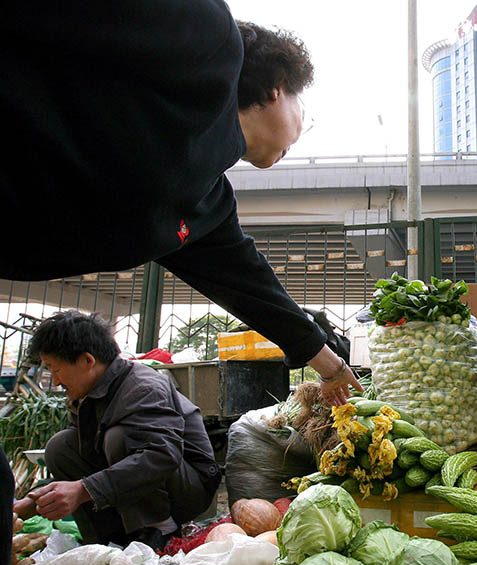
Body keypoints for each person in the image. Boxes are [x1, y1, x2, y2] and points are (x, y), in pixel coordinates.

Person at [0, 3, 360, 406]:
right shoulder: (210, 44)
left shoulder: (207, 204)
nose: (299, 135)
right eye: (304, 112)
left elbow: (254, 289)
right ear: (278, 87)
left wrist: (332, 368)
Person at [11, 311, 219, 552]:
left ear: (88, 361)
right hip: (146, 480)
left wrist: (83, 489)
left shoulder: (142, 388)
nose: (55, 381)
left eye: (55, 369)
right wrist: (35, 501)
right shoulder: (87, 392)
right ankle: (105, 541)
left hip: (186, 491)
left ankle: (160, 530)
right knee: (61, 446)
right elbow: (83, 456)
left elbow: (162, 456)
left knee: (119, 437)